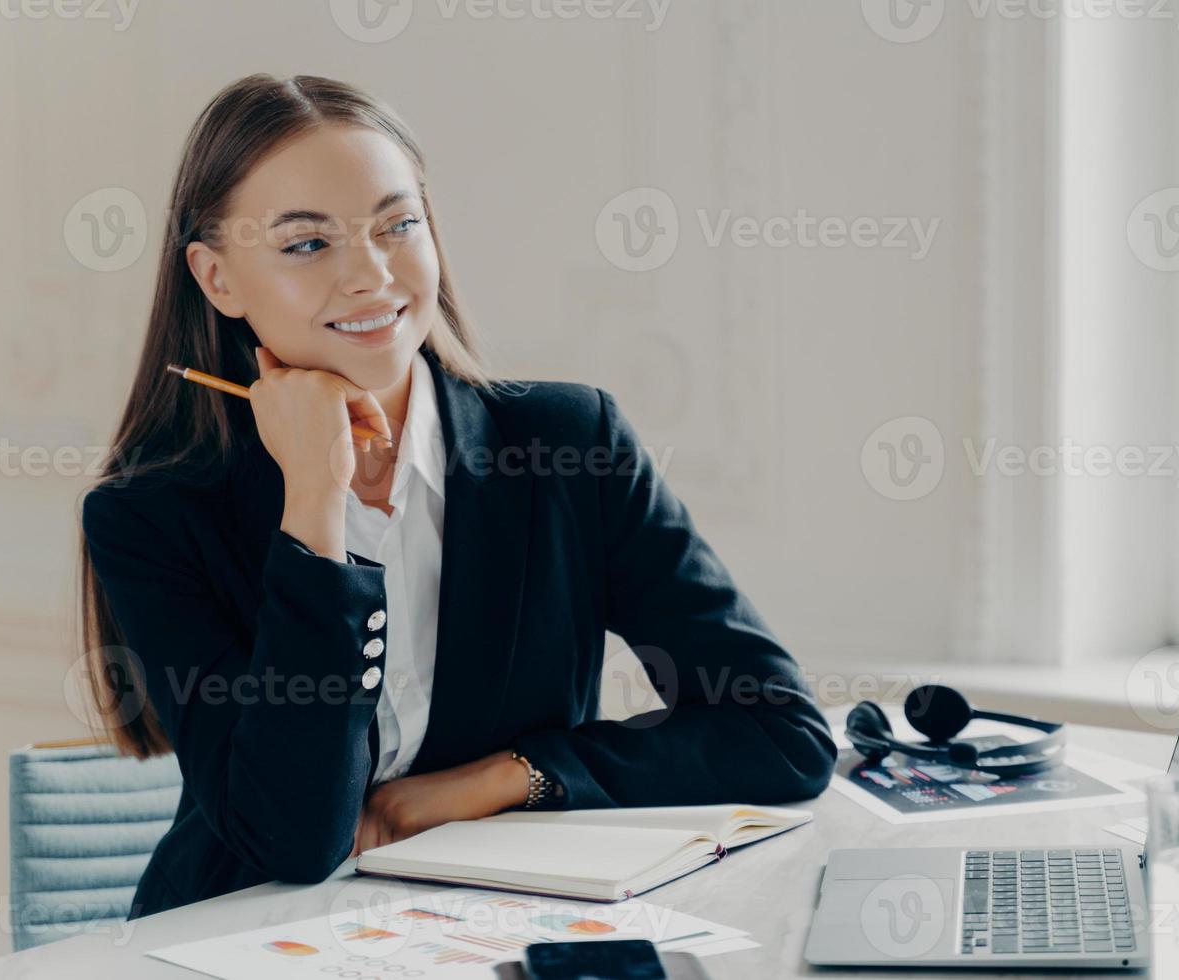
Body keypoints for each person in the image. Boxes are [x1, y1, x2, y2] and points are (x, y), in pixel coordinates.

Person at [78, 73, 835, 919]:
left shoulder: (568, 444)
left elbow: (781, 734)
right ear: (218, 280)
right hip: (234, 932)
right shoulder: (148, 513)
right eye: (305, 244)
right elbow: (295, 840)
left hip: (498, 920)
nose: (370, 276)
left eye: (397, 226)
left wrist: (495, 781)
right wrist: (316, 512)